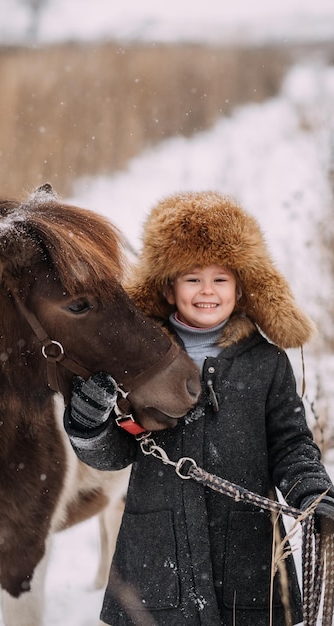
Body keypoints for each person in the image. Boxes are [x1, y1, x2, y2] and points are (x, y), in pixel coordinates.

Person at [64, 191, 334, 626]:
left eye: (221, 279)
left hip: (250, 559)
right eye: (191, 278)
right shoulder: (136, 361)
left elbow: (290, 443)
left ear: (243, 287)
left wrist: (312, 493)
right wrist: (88, 425)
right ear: (168, 288)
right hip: (155, 562)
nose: (206, 291)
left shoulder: (266, 363)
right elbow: (115, 454)